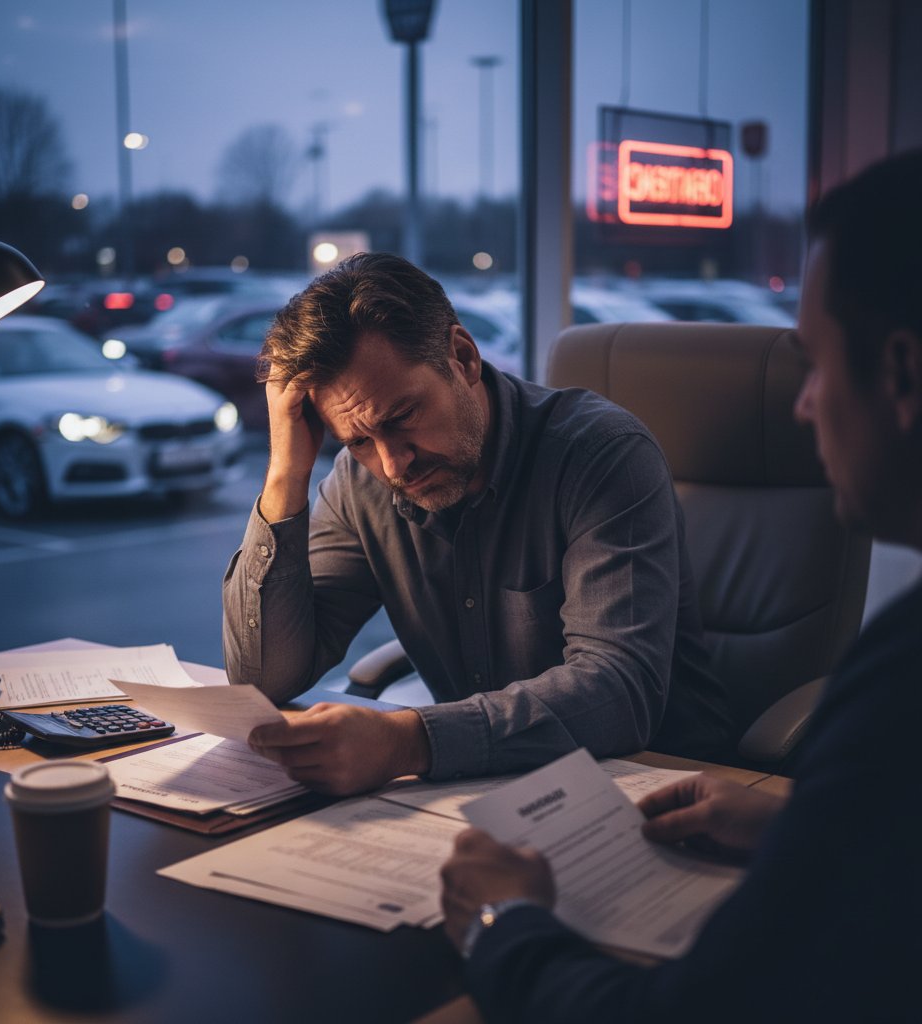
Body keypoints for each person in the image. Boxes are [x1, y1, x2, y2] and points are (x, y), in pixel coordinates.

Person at [439, 149, 922, 1023]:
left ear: (902, 374)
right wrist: (800, 829)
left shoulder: (901, 686)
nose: (805, 406)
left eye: (815, 365)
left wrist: (502, 923)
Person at [226, 253, 731, 796]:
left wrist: (408, 741)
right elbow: (263, 679)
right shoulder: (359, 483)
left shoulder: (602, 456)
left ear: (463, 358)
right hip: (484, 789)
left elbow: (618, 692)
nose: (393, 464)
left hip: (662, 786)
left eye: (402, 418)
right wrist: (285, 476)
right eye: (359, 441)